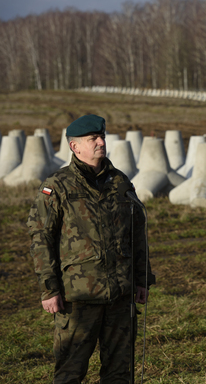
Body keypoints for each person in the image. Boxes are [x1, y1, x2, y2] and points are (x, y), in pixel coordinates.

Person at [27, 114, 155, 383]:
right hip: (78, 298)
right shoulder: (57, 186)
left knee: (120, 372)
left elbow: (138, 233)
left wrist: (142, 279)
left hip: (120, 296)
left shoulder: (120, 182)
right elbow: (41, 238)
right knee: (70, 372)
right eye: (92, 139)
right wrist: (49, 289)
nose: (100, 142)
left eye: (101, 137)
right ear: (75, 147)